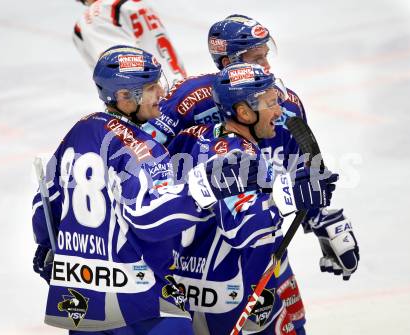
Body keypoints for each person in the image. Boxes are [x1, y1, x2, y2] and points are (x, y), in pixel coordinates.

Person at [143, 14, 360, 334]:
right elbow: (143, 152)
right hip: (199, 252)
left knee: (291, 324)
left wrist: (323, 218)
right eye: (256, 58)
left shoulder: (281, 103)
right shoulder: (188, 100)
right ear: (228, 60)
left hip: (258, 243)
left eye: (265, 55)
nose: (267, 66)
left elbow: (305, 165)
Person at [32, 46, 263, 335]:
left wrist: (48, 248)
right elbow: (147, 218)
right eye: (151, 87)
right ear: (124, 97)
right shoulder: (144, 149)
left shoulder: (80, 130)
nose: (162, 95)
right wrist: (206, 187)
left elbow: (44, 208)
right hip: (141, 302)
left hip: (80, 301)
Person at [166, 62, 339, 335]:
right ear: (244, 113)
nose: (279, 111)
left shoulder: (191, 137)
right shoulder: (242, 157)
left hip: (183, 283)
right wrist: (293, 195)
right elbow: (245, 231)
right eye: (270, 103)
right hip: (228, 291)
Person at [73, 0, 186, 84]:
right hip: (182, 89)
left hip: (156, 102)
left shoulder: (98, 14)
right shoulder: (136, 3)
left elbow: (118, 67)